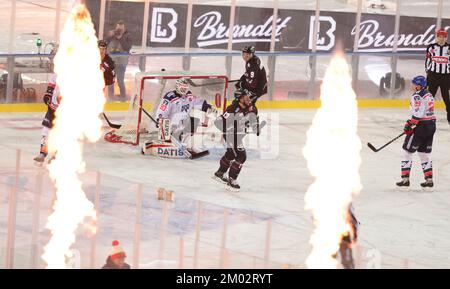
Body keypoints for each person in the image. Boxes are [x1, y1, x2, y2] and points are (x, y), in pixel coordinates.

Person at [212, 89, 259, 191]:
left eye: (248, 97)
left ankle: (219, 173)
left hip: (238, 136)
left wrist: (256, 127)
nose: (248, 99)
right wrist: (228, 129)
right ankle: (232, 179)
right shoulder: (232, 109)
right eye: (245, 97)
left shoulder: (251, 107)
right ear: (240, 99)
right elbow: (218, 122)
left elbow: (254, 118)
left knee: (231, 154)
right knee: (241, 156)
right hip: (230, 136)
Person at [396, 76, 436, 190]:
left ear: (419, 85)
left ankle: (405, 180)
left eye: (414, 84)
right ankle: (429, 181)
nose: (412, 86)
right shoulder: (429, 94)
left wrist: (410, 124)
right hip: (431, 125)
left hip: (421, 127)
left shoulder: (417, 95)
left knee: (407, 151)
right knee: (424, 154)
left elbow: (419, 113)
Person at [155, 78, 217, 143]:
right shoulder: (170, 97)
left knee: (195, 121)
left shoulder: (189, 96)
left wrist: (207, 106)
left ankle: (187, 142)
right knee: (170, 125)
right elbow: (162, 110)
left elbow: (198, 102)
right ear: (177, 87)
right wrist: (160, 120)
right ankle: (170, 140)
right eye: (182, 88)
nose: (184, 90)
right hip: (171, 126)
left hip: (183, 124)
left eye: (186, 88)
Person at [33, 61, 60, 165]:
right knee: (46, 130)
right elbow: (51, 86)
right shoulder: (57, 73)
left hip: (65, 111)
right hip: (52, 108)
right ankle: (42, 154)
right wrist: (47, 95)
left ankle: (56, 155)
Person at [425, 28, 450, 124]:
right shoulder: (431, 47)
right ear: (437, 37)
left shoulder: (449, 48)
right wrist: (428, 72)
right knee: (429, 97)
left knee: (447, 98)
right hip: (433, 75)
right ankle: (425, 117)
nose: (441, 38)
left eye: (443, 36)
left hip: (445, 76)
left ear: (445, 37)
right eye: (439, 36)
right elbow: (427, 60)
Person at [106, 20, 132, 99]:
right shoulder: (112, 34)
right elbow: (105, 42)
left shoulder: (128, 36)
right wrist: (110, 35)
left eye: (121, 29)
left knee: (120, 80)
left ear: (124, 29)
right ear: (115, 28)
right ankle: (111, 97)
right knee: (110, 80)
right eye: (118, 29)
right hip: (111, 61)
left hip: (121, 62)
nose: (119, 31)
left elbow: (127, 48)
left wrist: (120, 38)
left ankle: (123, 96)